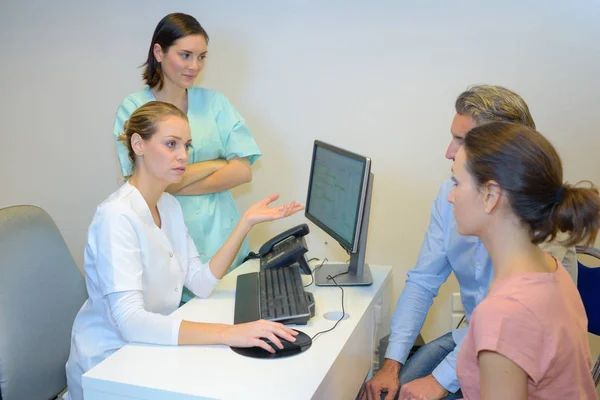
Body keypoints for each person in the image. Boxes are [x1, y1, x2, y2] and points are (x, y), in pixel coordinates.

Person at [67, 101, 303, 400]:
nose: (183, 156)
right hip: (110, 361)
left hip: (150, 346)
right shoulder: (116, 216)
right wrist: (227, 332)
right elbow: (129, 322)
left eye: (186, 145)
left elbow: (200, 283)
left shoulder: (169, 205)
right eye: (171, 144)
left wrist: (246, 223)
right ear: (138, 144)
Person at [361, 85, 577, 400]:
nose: (449, 151)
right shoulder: (518, 262)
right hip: (476, 335)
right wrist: (391, 363)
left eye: (462, 142)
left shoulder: (517, 297)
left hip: (496, 343)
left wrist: (440, 381)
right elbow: (423, 281)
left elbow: (500, 330)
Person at [113, 13, 261, 304]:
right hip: (170, 249)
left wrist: (172, 181)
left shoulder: (214, 103)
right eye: (185, 55)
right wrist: (216, 165)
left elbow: (243, 172)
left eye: (202, 57)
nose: (195, 66)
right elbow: (143, 186)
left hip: (224, 241)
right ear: (159, 52)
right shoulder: (133, 109)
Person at [452, 121, 598, 398]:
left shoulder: (503, 313)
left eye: (456, 183)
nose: (450, 196)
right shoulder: (551, 270)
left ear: (491, 195)